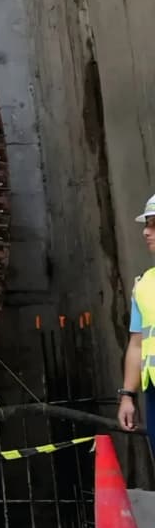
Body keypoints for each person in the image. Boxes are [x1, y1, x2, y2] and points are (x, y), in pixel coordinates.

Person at [118, 193, 155, 458]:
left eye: (154, 225)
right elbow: (136, 344)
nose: (146, 232)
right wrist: (127, 395)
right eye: (146, 225)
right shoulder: (143, 285)